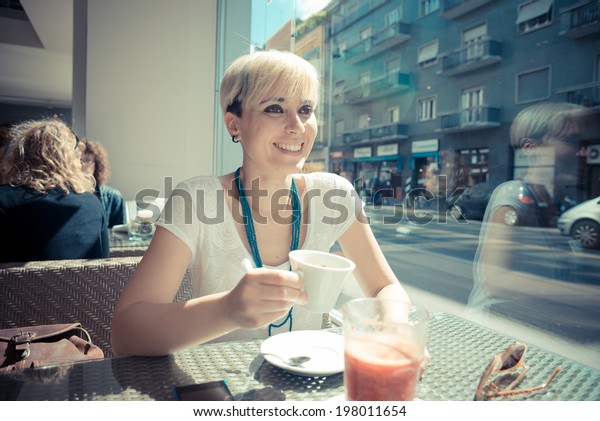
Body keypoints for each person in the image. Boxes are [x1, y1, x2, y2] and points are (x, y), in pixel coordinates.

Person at [111, 50, 413, 356]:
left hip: (311, 388)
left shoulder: (335, 196)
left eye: (306, 109)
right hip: (219, 388)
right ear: (234, 125)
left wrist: (395, 331)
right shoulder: (195, 200)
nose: (297, 126)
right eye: (274, 108)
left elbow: (384, 288)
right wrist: (227, 309)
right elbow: (125, 332)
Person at [466, 102, 600, 335]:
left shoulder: (563, 204)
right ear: (531, 148)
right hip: (494, 332)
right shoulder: (515, 196)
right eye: (571, 142)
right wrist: (586, 296)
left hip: (535, 328)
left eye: (583, 143)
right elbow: (497, 280)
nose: (582, 152)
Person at [0, 118, 109, 262]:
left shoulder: (3, 200)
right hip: (81, 284)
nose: (81, 162)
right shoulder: (92, 203)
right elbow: (101, 261)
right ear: (69, 161)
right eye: (77, 156)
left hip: (16, 285)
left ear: (19, 156)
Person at [81, 139, 126, 228]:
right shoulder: (66, 196)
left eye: (87, 160)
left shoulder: (113, 197)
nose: (81, 165)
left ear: (96, 165)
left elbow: (120, 235)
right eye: (78, 160)